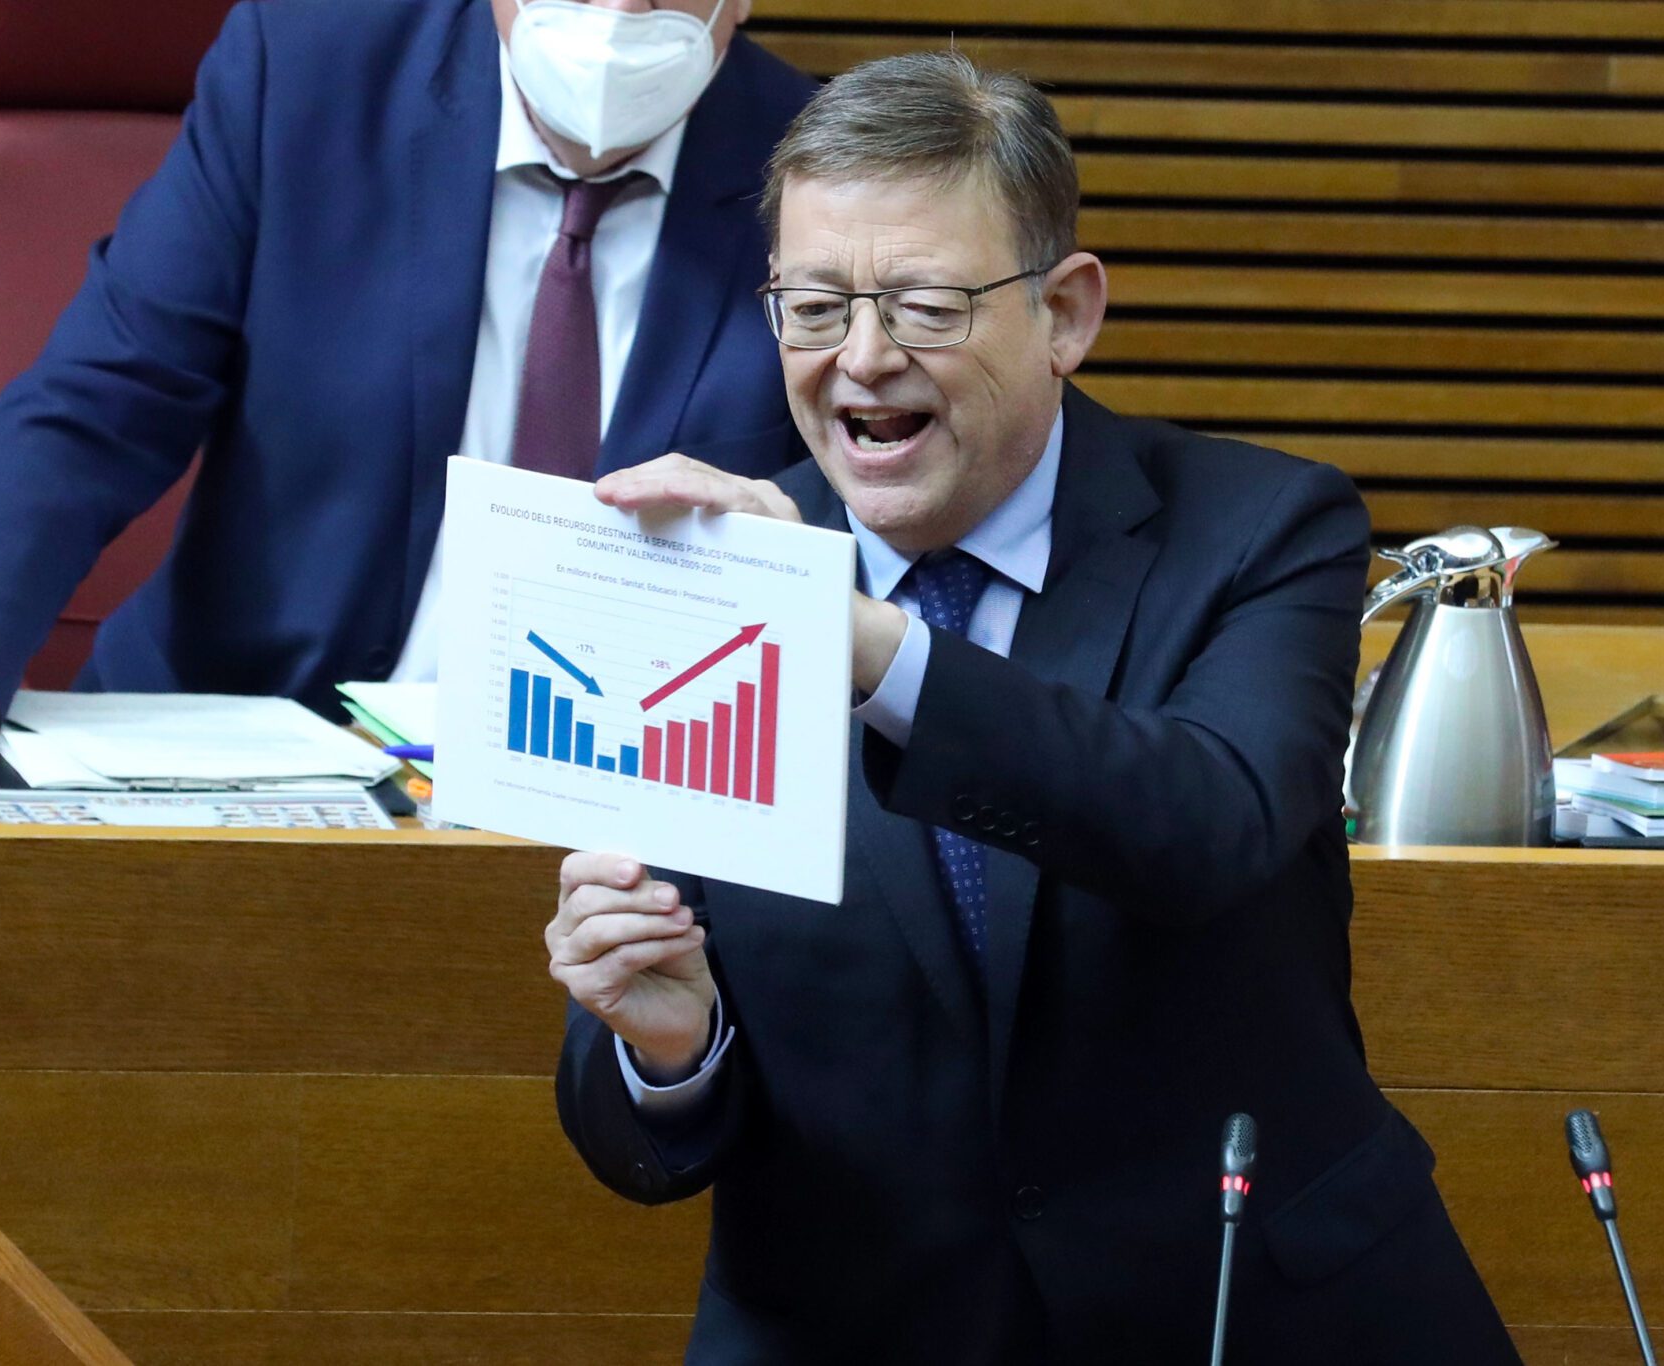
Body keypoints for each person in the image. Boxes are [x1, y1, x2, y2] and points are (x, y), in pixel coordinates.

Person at [546, 52, 1522, 1365]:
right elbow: (641, 1130)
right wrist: (674, 1049)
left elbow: (1204, 823)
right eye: (814, 307)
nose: (863, 360)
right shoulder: (701, 569)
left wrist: (864, 643)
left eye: (925, 306)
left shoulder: (1262, 529)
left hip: (1248, 1310)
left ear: (1064, 312)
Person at [0, 0, 813, 754]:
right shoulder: (304, 75)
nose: (616, 17)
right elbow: (105, 401)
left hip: (617, 793)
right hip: (250, 742)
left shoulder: (815, 175)